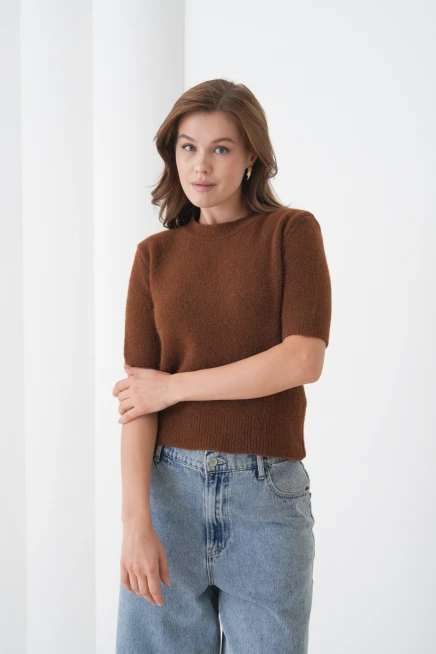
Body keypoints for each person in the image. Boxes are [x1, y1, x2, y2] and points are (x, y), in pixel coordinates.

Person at [114, 78, 332, 654]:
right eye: (188, 147)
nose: (201, 165)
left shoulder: (290, 233)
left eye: (221, 148)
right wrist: (135, 523)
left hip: (267, 498)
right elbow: (138, 399)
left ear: (251, 156)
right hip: (168, 494)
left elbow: (303, 358)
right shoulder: (154, 256)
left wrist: (176, 388)